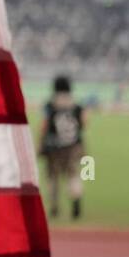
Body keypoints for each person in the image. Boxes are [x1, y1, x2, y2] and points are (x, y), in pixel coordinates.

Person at [40, 74, 86, 220]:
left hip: (53, 147)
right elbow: (84, 122)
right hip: (73, 146)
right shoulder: (76, 105)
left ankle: (54, 207)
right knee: (73, 175)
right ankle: (76, 198)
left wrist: (40, 142)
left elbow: (45, 125)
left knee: (52, 177)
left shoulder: (50, 105)